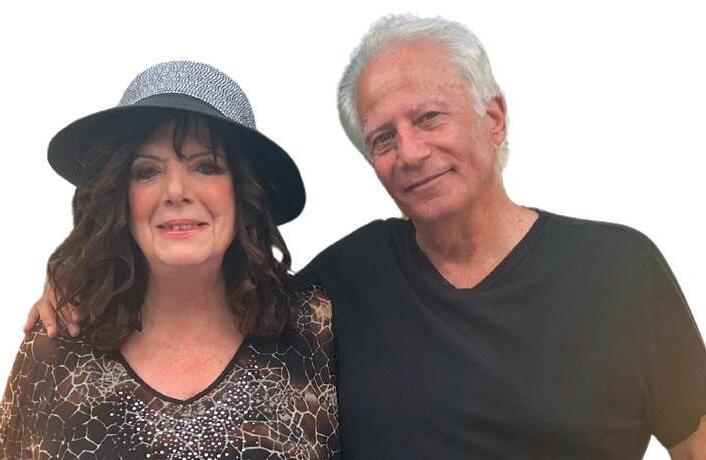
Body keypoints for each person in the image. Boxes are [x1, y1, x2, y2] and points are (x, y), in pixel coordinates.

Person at [25, 15, 706, 459]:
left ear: (494, 117)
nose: (411, 152)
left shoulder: (621, 270)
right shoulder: (345, 286)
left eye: (430, 117)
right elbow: (212, 288)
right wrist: (73, 279)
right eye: (383, 137)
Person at [1, 61, 339, 459]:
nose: (176, 191)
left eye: (206, 166)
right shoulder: (56, 346)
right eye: (147, 171)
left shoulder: (316, 330)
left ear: (244, 190)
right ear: (120, 197)